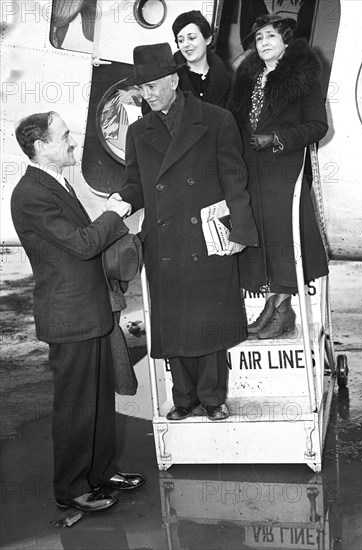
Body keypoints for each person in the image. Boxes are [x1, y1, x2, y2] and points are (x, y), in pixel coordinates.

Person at [107, 43, 258, 422]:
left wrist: (239, 227)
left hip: (207, 235)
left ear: (174, 80)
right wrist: (119, 202)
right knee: (175, 324)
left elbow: (234, 179)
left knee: (207, 321)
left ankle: (212, 399)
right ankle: (183, 399)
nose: (148, 95)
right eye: (142, 90)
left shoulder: (216, 119)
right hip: (166, 241)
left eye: (154, 86)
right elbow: (136, 184)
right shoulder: (139, 132)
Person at [10, 112, 146, 512]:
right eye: (64, 136)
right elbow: (83, 244)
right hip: (69, 317)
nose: (73, 141)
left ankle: (101, 473)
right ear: (41, 146)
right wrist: (116, 212)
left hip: (89, 311)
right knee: (75, 407)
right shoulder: (30, 194)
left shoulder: (55, 182)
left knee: (99, 402)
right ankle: (70, 488)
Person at [227, 14, 329, 339]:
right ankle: (272, 306)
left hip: (284, 173)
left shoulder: (303, 77)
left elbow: (318, 126)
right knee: (265, 240)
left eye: (270, 37)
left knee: (285, 241)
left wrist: (277, 139)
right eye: (258, 39)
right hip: (253, 171)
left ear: (285, 41)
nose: (264, 43)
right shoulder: (249, 77)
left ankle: (283, 310)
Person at [141, 10, 231, 115]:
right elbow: (149, 120)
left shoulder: (227, 80)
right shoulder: (164, 77)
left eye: (192, 38)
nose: (186, 44)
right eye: (180, 40)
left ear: (208, 39)